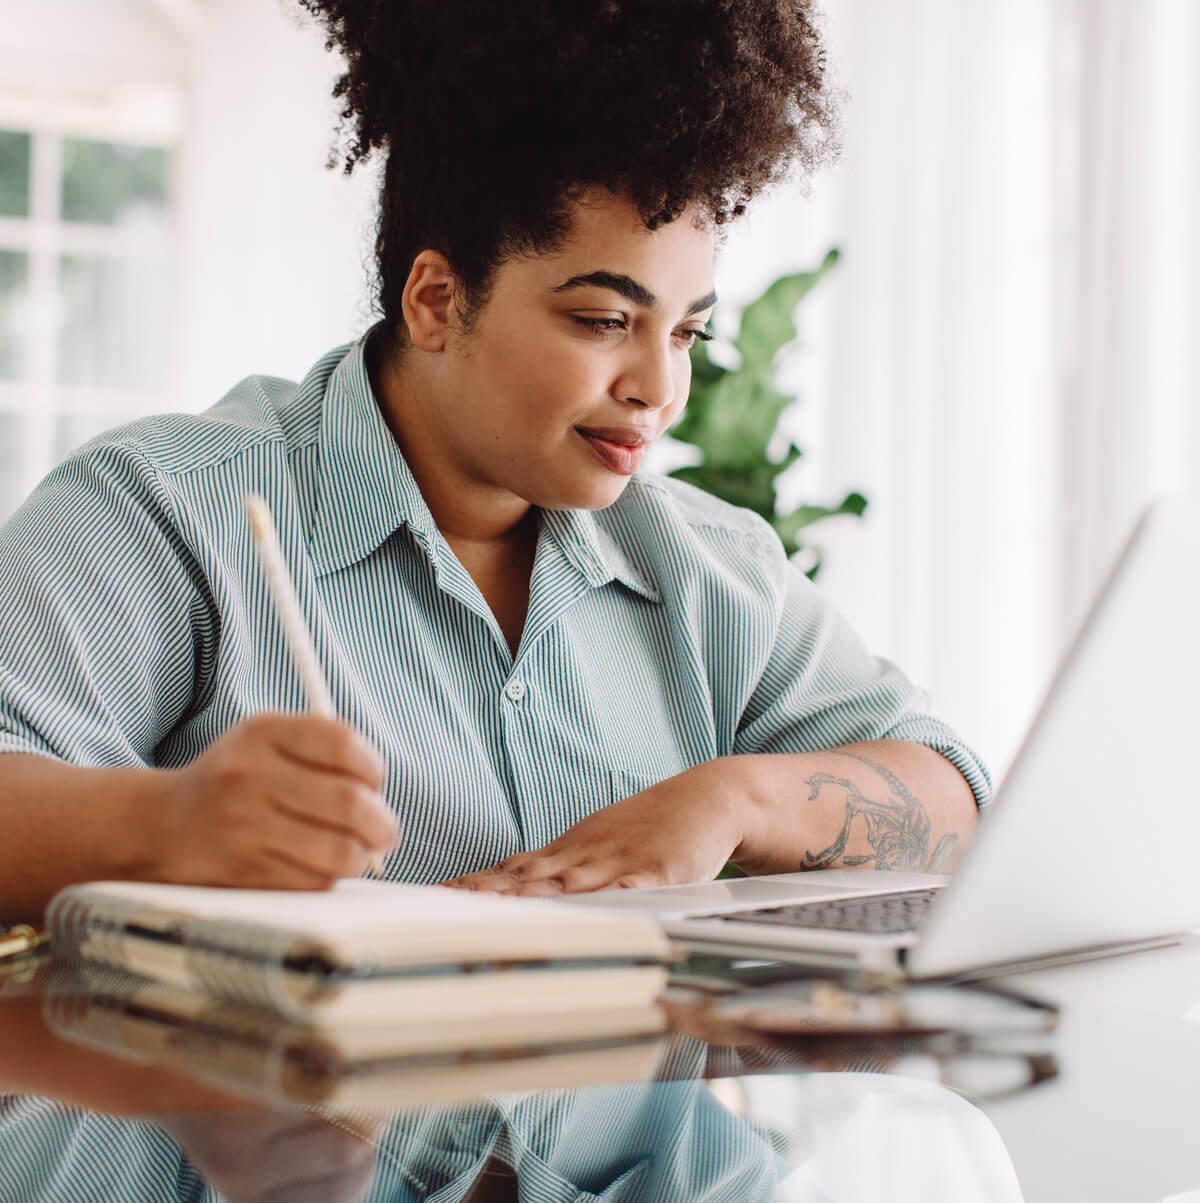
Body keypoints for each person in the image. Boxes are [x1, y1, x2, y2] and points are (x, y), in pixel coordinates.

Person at [0, 0, 988, 925]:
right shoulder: (165, 509)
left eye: (686, 333)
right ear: (435, 300)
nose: (658, 388)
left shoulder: (713, 571)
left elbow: (953, 794)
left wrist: (733, 799)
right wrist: (170, 823)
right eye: (603, 320)